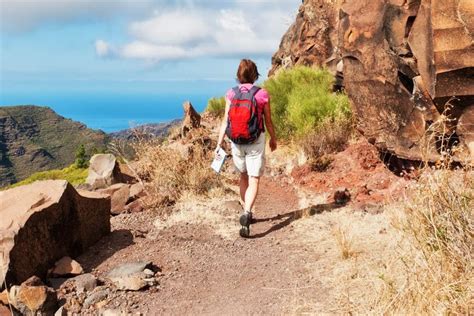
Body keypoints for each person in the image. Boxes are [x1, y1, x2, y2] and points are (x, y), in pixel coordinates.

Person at [216, 59, 277, 237]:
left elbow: (226, 120)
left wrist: (219, 142)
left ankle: (246, 210)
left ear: (238, 75)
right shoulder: (262, 94)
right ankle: (247, 212)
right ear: (255, 75)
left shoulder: (231, 94)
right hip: (255, 140)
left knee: (243, 176)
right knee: (254, 178)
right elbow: (268, 121)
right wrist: (273, 138)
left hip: (236, 141)